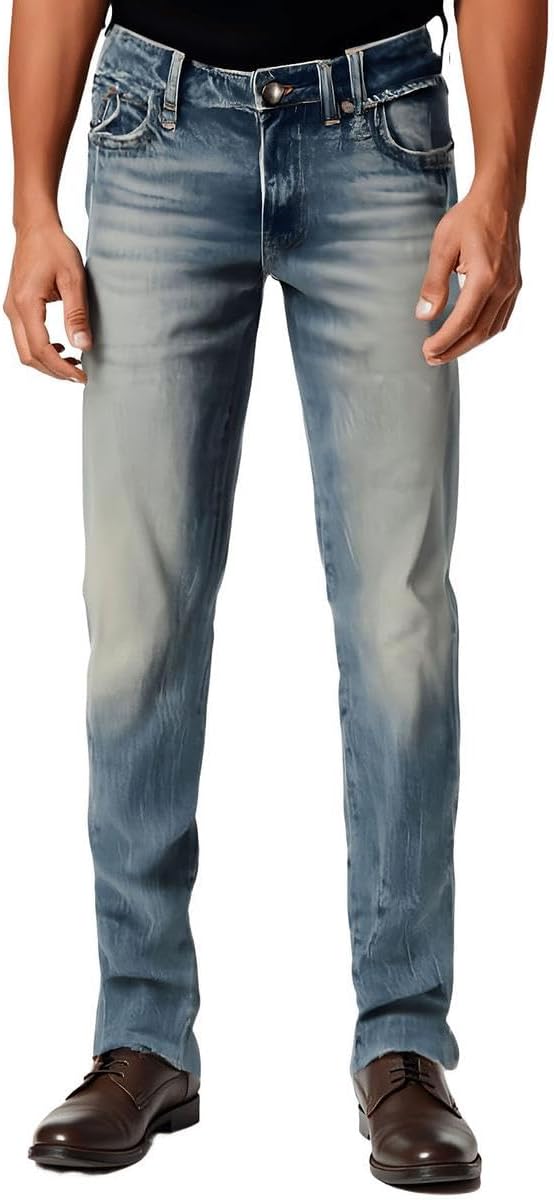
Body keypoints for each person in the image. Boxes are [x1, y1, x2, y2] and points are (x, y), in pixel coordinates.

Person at [4, 0, 546, 1184]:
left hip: (379, 132)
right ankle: (141, 1035)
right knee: (137, 620)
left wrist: (497, 192)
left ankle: (403, 1044)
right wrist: (33, 206)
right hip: (155, 134)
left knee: (399, 623)